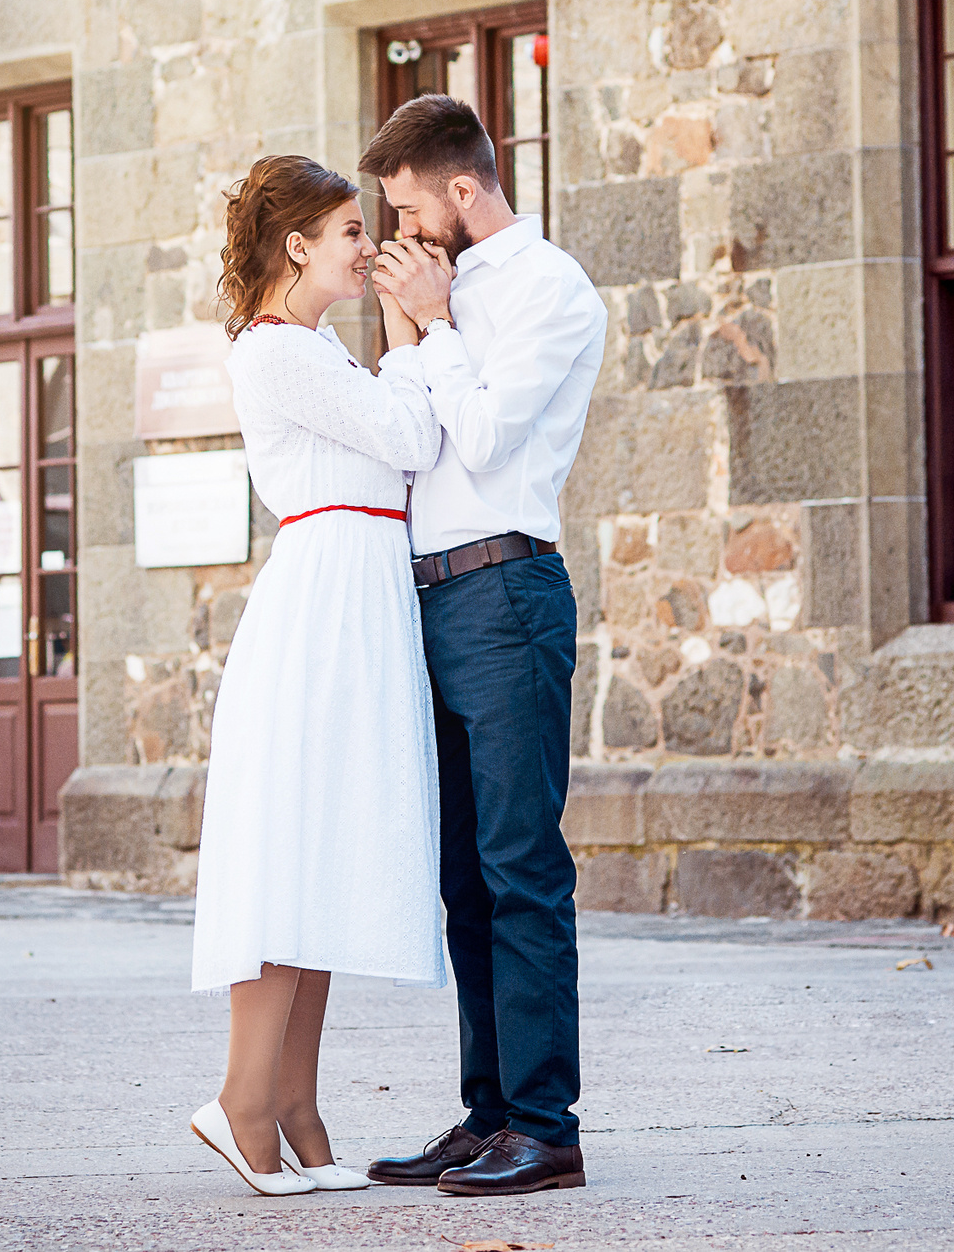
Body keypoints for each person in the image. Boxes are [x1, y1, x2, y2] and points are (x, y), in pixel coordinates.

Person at [358, 94, 608, 1197]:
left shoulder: (549, 286)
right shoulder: (440, 301)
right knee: (462, 877)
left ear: (463, 191)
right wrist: (417, 334)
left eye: (410, 209)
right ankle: (487, 1113)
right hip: (431, 598)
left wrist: (435, 327)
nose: (401, 233)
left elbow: (494, 430)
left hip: (507, 591)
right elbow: (412, 440)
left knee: (519, 868)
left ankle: (547, 1128)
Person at [186, 154, 448, 1197]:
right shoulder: (280, 350)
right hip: (324, 607)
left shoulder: (316, 349)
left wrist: (396, 339)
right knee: (292, 851)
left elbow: (393, 441)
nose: (367, 245)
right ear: (296, 245)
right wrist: (418, 329)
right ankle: (244, 1099)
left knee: (328, 851)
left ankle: (294, 1101)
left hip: (355, 598)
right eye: (349, 230)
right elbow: (411, 436)